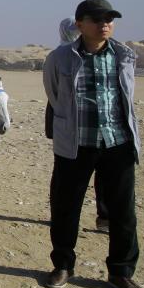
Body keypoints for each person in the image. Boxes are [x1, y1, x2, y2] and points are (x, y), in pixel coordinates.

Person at [43, 0, 143, 288]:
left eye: (109, 19)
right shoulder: (60, 58)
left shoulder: (124, 55)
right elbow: (55, 94)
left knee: (123, 211)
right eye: (97, 19)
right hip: (76, 144)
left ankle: (121, 272)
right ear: (80, 24)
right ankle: (63, 264)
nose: (105, 24)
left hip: (117, 143)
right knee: (66, 207)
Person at [46, 18, 109, 233]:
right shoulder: (59, 56)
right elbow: (53, 92)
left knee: (103, 172)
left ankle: (104, 216)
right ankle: (61, 216)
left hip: (97, 126)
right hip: (66, 122)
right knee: (65, 174)